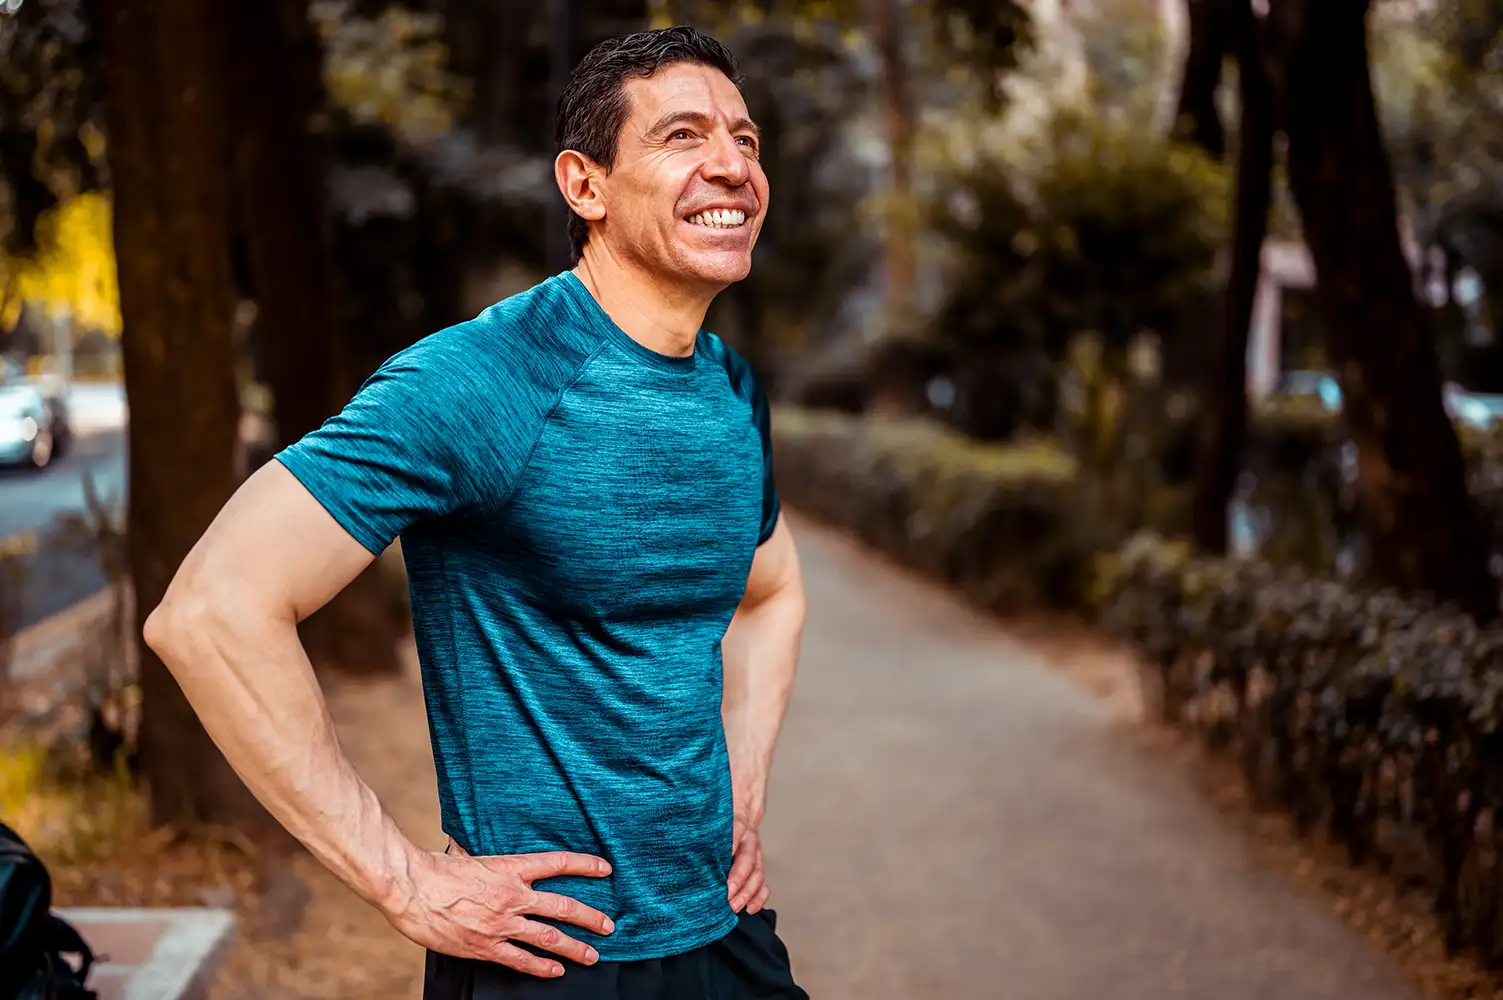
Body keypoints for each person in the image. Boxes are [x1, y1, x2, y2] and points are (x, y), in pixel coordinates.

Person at [142, 23, 809, 1000]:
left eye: (745, 140)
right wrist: (405, 881)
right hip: (550, 962)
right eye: (683, 137)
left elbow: (771, 592)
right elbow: (209, 611)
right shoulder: (482, 381)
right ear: (584, 184)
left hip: (725, 934)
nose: (731, 166)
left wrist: (742, 789)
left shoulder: (730, 389)